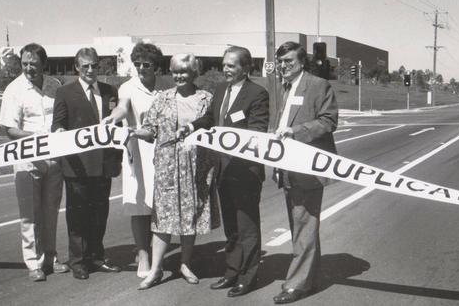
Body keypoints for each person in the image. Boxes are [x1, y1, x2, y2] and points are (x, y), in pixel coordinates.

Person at [177, 46, 269, 298]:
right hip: (223, 170)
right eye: (224, 64)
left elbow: (257, 131)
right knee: (232, 227)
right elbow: (210, 119)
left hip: (245, 172)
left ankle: (248, 278)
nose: (225, 69)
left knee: (247, 227)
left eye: (231, 65)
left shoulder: (257, 94)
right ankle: (231, 271)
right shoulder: (220, 90)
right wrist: (192, 126)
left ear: (245, 68)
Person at [133, 53, 215, 290]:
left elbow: (212, 128)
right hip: (167, 166)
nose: (179, 76)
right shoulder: (162, 99)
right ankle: (156, 268)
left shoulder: (206, 99)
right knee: (163, 218)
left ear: (194, 73)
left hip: (196, 166)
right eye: (175, 71)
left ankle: (185, 263)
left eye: (184, 71)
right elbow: (150, 131)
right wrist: (132, 132)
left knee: (190, 215)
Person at [272, 41, 338, 304]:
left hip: (308, 167)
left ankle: (297, 285)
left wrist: (296, 132)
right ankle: (309, 277)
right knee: (301, 226)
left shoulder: (317, 85)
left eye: (288, 61)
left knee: (303, 225)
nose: (283, 66)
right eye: (280, 61)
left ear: (302, 62)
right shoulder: (284, 88)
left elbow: (328, 120)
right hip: (288, 167)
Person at [0, 43, 69, 282]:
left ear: (44, 64)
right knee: (30, 214)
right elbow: (9, 129)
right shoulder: (14, 89)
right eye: (25, 63)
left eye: (34, 64)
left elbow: (61, 118)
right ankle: (33, 262)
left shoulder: (55, 86)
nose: (29, 68)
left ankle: (51, 257)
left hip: (54, 159)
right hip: (27, 160)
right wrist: (35, 137)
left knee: (51, 211)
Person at [51, 47, 122, 280]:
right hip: (76, 166)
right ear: (77, 67)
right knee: (78, 215)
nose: (90, 70)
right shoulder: (65, 92)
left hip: (103, 164)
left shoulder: (110, 91)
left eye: (94, 65)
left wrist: (117, 159)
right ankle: (78, 261)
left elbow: (117, 128)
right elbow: (57, 124)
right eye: (85, 66)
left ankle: (97, 257)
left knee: (100, 213)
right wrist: (60, 131)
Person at [101, 42, 163, 278]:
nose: (141, 68)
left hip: (160, 149)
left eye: (146, 64)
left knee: (158, 203)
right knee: (138, 204)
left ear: (156, 66)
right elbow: (122, 108)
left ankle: (156, 252)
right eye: (137, 64)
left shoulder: (164, 88)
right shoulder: (127, 87)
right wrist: (112, 118)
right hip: (136, 148)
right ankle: (143, 253)